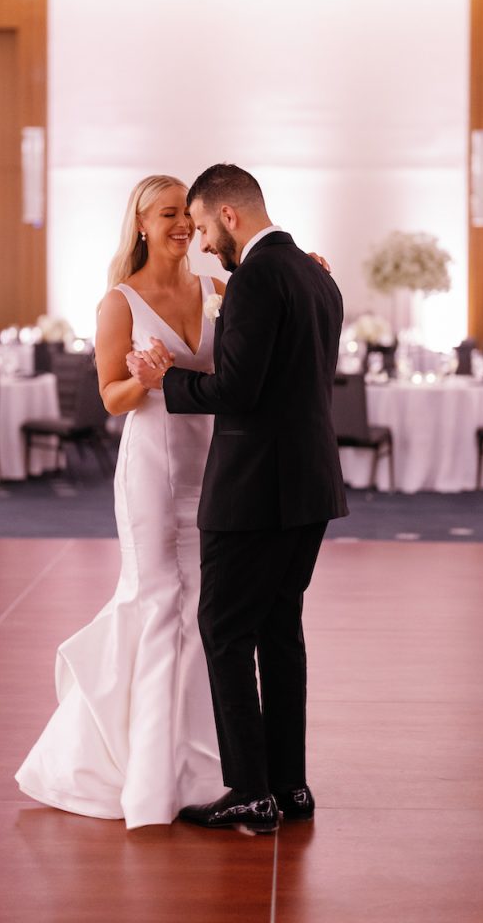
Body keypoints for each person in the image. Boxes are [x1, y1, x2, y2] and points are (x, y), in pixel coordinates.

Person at [127, 164, 348, 834]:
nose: (199, 245)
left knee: (224, 632)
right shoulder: (317, 274)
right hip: (311, 482)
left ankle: (250, 793)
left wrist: (167, 381)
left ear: (228, 217)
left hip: (253, 488)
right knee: (280, 632)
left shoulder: (255, 277)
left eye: (202, 228)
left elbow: (237, 391)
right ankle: (290, 785)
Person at [15, 174, 227, 829]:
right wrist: (141, 379)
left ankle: (202, 770)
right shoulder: (120, 303)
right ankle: (149, 784)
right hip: (153, 469)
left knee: (203, 610)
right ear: (140, 223)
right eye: (168, 215)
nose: (182, 227)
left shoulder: (216, 289)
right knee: (160, 600)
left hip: (213, 465)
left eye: (186, 215)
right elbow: (109, 399)